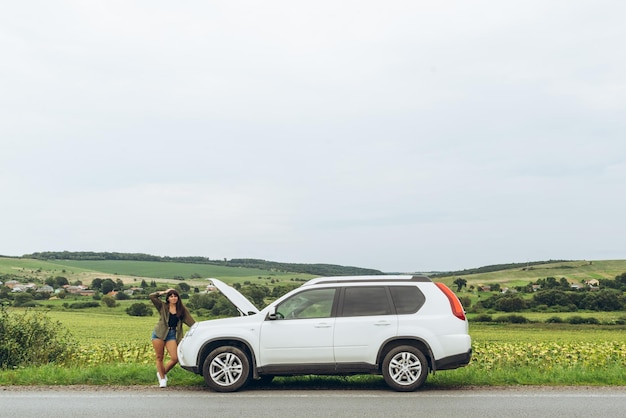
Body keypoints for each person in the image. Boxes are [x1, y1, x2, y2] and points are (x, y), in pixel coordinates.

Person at [149, 288, 195, 388]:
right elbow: (152, 296)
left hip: (172, 334)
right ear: (168, 298)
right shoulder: (162, 306)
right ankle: (162, 379)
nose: (173, 298)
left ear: (178, 298)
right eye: (171, 296)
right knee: (159, 357)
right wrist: (165, 291)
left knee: (175, 358)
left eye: (175, 296)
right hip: (159, 333)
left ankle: (162, 373)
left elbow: (192, 323)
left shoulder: (182, 310)